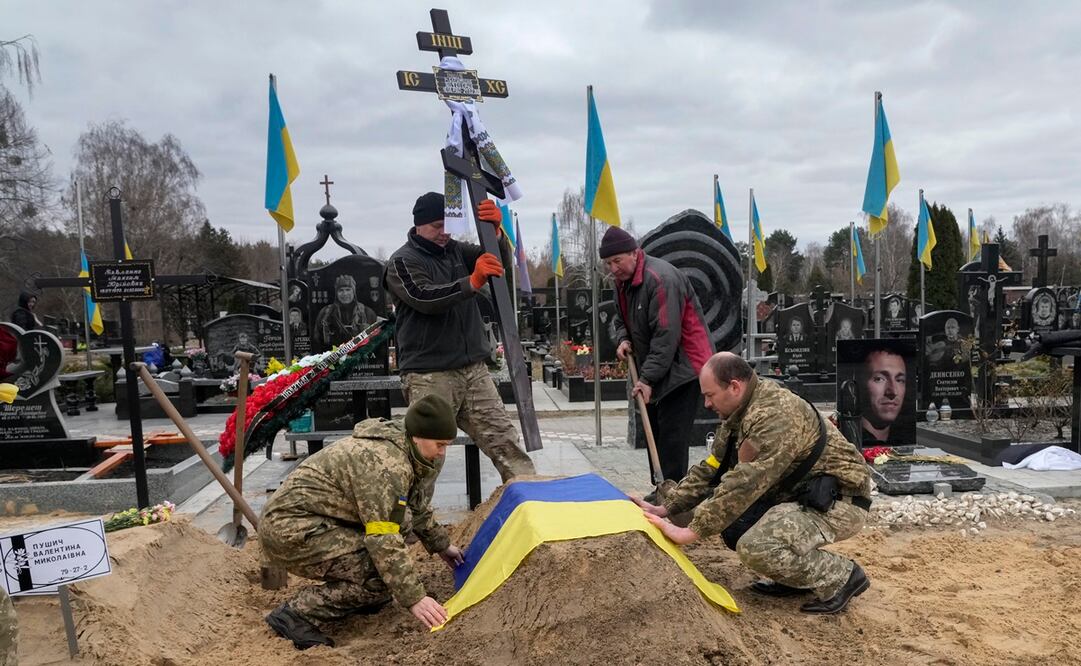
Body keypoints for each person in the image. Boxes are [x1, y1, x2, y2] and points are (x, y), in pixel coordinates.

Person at [634, 352, 873, 614]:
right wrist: (666, 507)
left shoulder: (774, 415)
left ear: (734, 387)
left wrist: (690, 532)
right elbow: (713, 468)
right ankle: (792, 577)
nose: (706, 404)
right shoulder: (740, 411)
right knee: (736, 528)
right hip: (800, 494)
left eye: (710, 395)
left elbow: (745, 482)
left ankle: (842, 576)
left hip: (840, 502)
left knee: (755, 546)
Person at [261, 395, 465, 649]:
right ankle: (295, 613)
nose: (442, 453)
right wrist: (415, 598)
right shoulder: (386, 465)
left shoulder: (402, 447)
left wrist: (442, 545)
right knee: (378, 579)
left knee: (385, 571)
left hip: (314, 522)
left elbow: (413, 505)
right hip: (292, 531)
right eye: (440, 444)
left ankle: (362, 597)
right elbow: (383, 538)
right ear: (418, 436)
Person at [384, 191, 535, 482]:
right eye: (436, 226)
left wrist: (496, 235)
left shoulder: (456, 251)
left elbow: (495, 264)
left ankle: (529, 503)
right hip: (430, 373)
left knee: (505, 441)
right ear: (418, 225)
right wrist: (472, 281)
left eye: (448, 225)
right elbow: (424, 297)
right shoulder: (401, 262)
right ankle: (414, 522)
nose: (444, 233)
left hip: (473, 370)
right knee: (425, 457)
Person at [601, 225, 714, 486]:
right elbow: (620, 319)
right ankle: (661, 489)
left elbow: (666, 336)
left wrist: (647, 379)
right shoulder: (623, 283)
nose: (613, 268)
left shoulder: (661, 279)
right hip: (656, 367)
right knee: (655, 430)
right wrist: (622, 338)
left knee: (672, 436)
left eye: (617, 260)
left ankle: (673, 497)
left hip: (684, 367)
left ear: (634, 253)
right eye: (608, 263)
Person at [858, 346, 909, 445]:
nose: (893, 392)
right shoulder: (844, 442)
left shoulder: (904, 441)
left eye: (899, 380)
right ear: (859, 383)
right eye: (879, 379)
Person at [313, 274, 377, 352]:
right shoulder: (325, 314)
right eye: (341, 290)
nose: (345, 294)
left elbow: (377, 341)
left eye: (348, 289)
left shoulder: (368, 313)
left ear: (354, 291)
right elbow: (317, 340)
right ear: (336, 293)